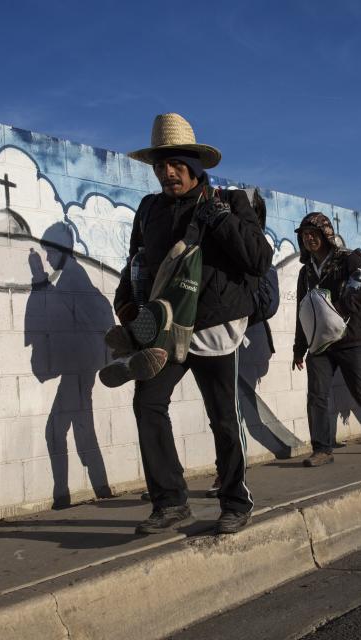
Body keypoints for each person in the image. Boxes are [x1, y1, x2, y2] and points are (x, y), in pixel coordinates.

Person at [115, 113, 273, 535]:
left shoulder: (230, 202)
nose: (168, 172)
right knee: (148, 404)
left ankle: (235, 502)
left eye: (177, 164)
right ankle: (170, 502)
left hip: (214, 325)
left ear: (196, 165)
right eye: (160, 165)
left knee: (222, 414)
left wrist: (219, 217)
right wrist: (126, 301)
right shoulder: (149, 210)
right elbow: (137, 261)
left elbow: (258, 258)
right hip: (166, 325)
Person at [292, 212, 361, 467]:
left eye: (313, 233)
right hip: (320, 343)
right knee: (316, 395)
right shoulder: (306, 273)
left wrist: (343, 306)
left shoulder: (349, 259)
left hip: (352, 338)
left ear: (326, 235)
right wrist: (299, 347)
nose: (308, 238)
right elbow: (302, 311)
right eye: (304, 235)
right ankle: (322, 449)